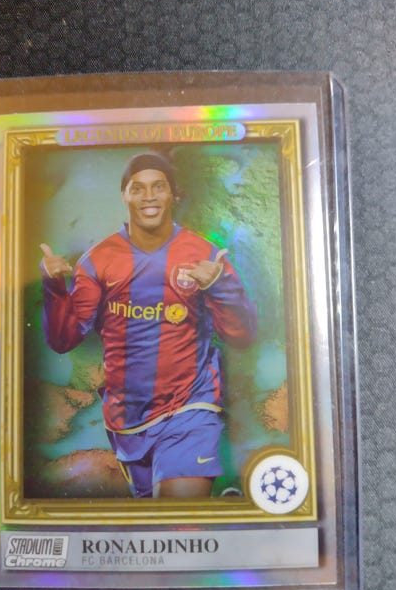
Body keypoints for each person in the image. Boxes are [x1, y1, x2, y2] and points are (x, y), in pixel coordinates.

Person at [40, 152, 257, 499]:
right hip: (127, 422)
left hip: (190, 408)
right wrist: (52, 287)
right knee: (157, 518)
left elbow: (242, 335)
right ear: (124, 195)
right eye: (137, 188)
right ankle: (222, 511)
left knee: (176, 513)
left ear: (173, 194)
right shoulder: (98, 260)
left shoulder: (204, 255)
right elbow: (63, 339)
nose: (149, 196)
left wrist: (220, 286)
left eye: (158, 187)